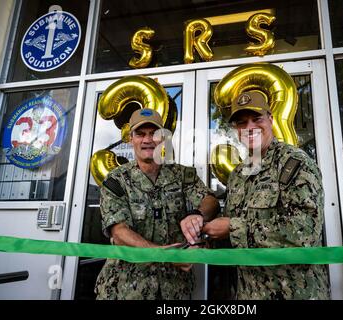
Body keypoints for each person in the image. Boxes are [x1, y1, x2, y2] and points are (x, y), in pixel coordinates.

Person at [202, 91, 330, 300]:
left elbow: (305, 230)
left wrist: (232, 228)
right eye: (242, 122)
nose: (250, 127)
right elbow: (234, 235)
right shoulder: (238, 174)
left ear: (270, 119)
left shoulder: (294, 162)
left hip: (295, 293)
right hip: (249, 294)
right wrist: (207, 239)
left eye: (257, 119)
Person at [95, 108, 219, 300]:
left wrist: (197, 215)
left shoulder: (182, 175)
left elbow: (210, 200)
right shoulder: (116, 180)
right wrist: (166, 255)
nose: (147, 140)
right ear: (130, 138)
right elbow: (119, 233)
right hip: (126, 288)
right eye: (140, 134)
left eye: (154, 133)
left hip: (174, 289)